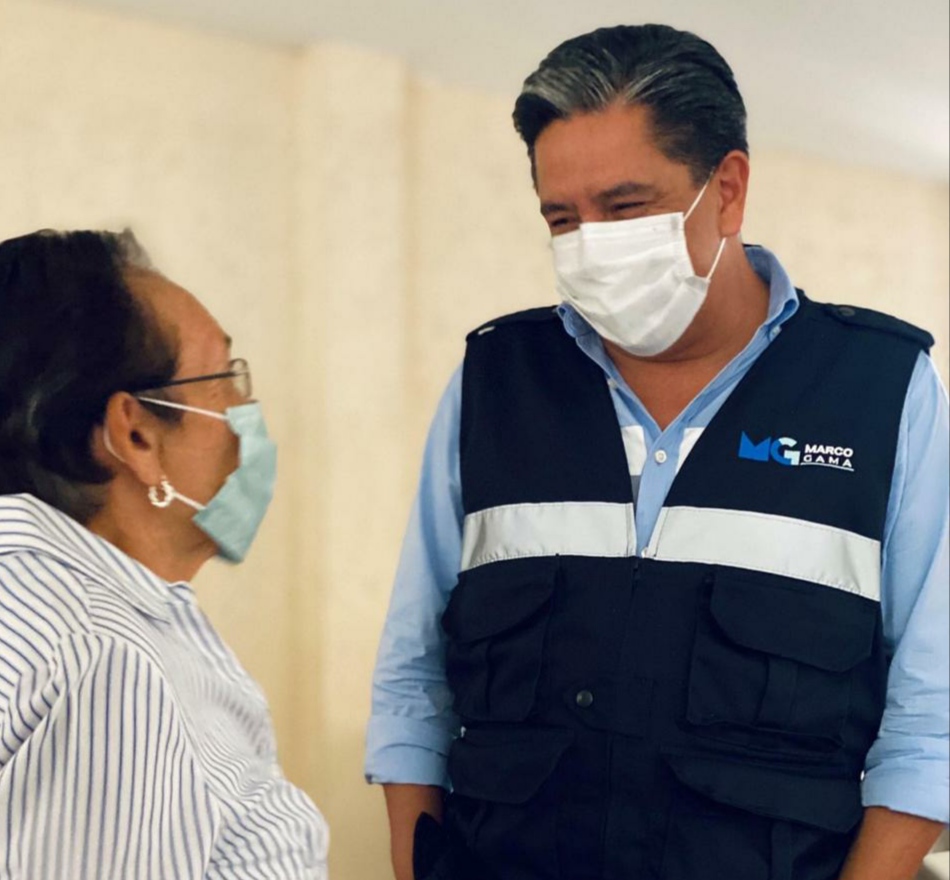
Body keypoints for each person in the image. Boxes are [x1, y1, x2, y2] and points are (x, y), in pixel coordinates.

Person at [366, 24, 949, 880]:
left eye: (624, 207)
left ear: (728, 189)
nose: (590, 244)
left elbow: (933, 720)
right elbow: (412, 684)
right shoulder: (495, 383)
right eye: (562, 218)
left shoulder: (879, 391)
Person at [0, 229, 328, 878]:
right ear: (136, 435)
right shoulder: (102, 657)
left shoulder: (45, 605)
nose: (247, 412)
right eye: (224, 378)